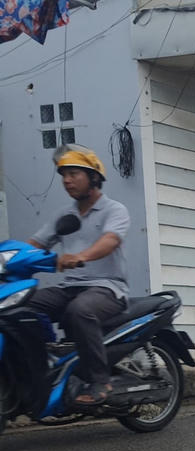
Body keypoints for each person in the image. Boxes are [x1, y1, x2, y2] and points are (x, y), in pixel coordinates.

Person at [28, 145, 131, 407]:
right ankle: (42, 366)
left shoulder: (114, 210)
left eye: (74, 173)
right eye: (64, 175)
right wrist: (12, 259)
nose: (67, 180)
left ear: (93, 178)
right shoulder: (64, 215)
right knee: (25, 306)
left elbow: (110, 240)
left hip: (107, 288)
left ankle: (100, 381)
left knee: (80, 311)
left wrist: (81, 256)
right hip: (70, 286)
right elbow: (35, 245)